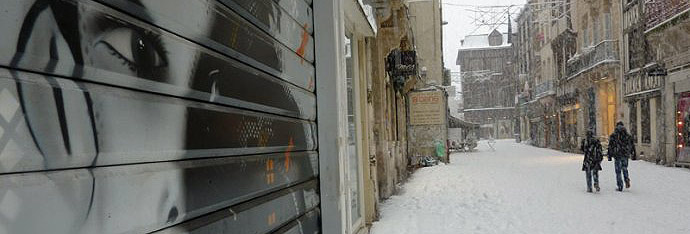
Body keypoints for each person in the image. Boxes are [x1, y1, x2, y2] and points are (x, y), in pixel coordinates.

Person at [608, 122, 636, 192]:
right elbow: (632, 145)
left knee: (618, 171)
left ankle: (620, 185)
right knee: (625, 168)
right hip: (625, 154)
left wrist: (610, 155)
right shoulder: (627, 135)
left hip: (617, 154)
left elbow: (610, 146)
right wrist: (633, 153)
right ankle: (626, 179)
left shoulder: (613, 135)